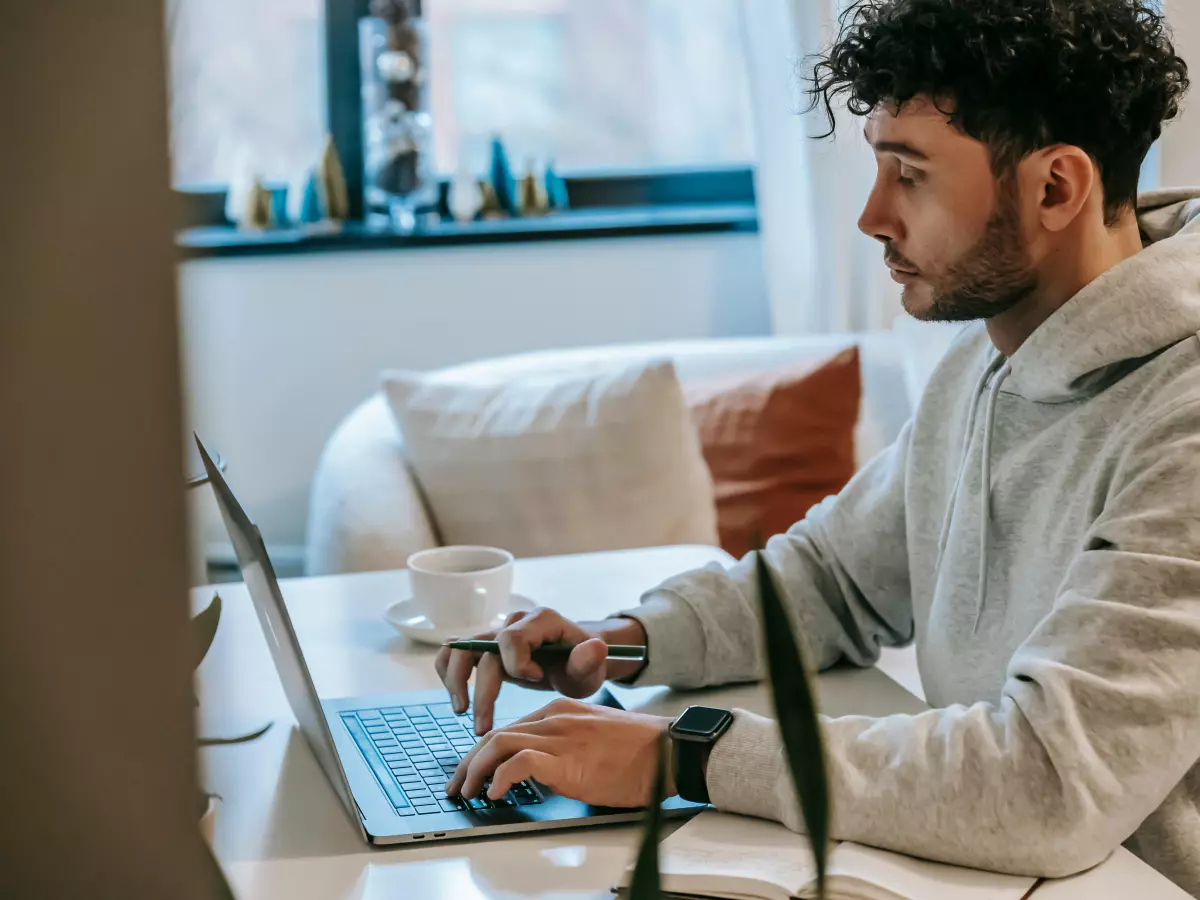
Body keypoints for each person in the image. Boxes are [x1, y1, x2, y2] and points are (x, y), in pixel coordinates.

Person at [436, 0, 1200, 891]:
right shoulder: (988, 355)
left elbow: (1048, 779)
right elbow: (833, 581)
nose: (873, 216)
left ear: (1055, 190)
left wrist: (680, 758)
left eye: (909, 175)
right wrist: (627, 640)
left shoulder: (1182, 415)